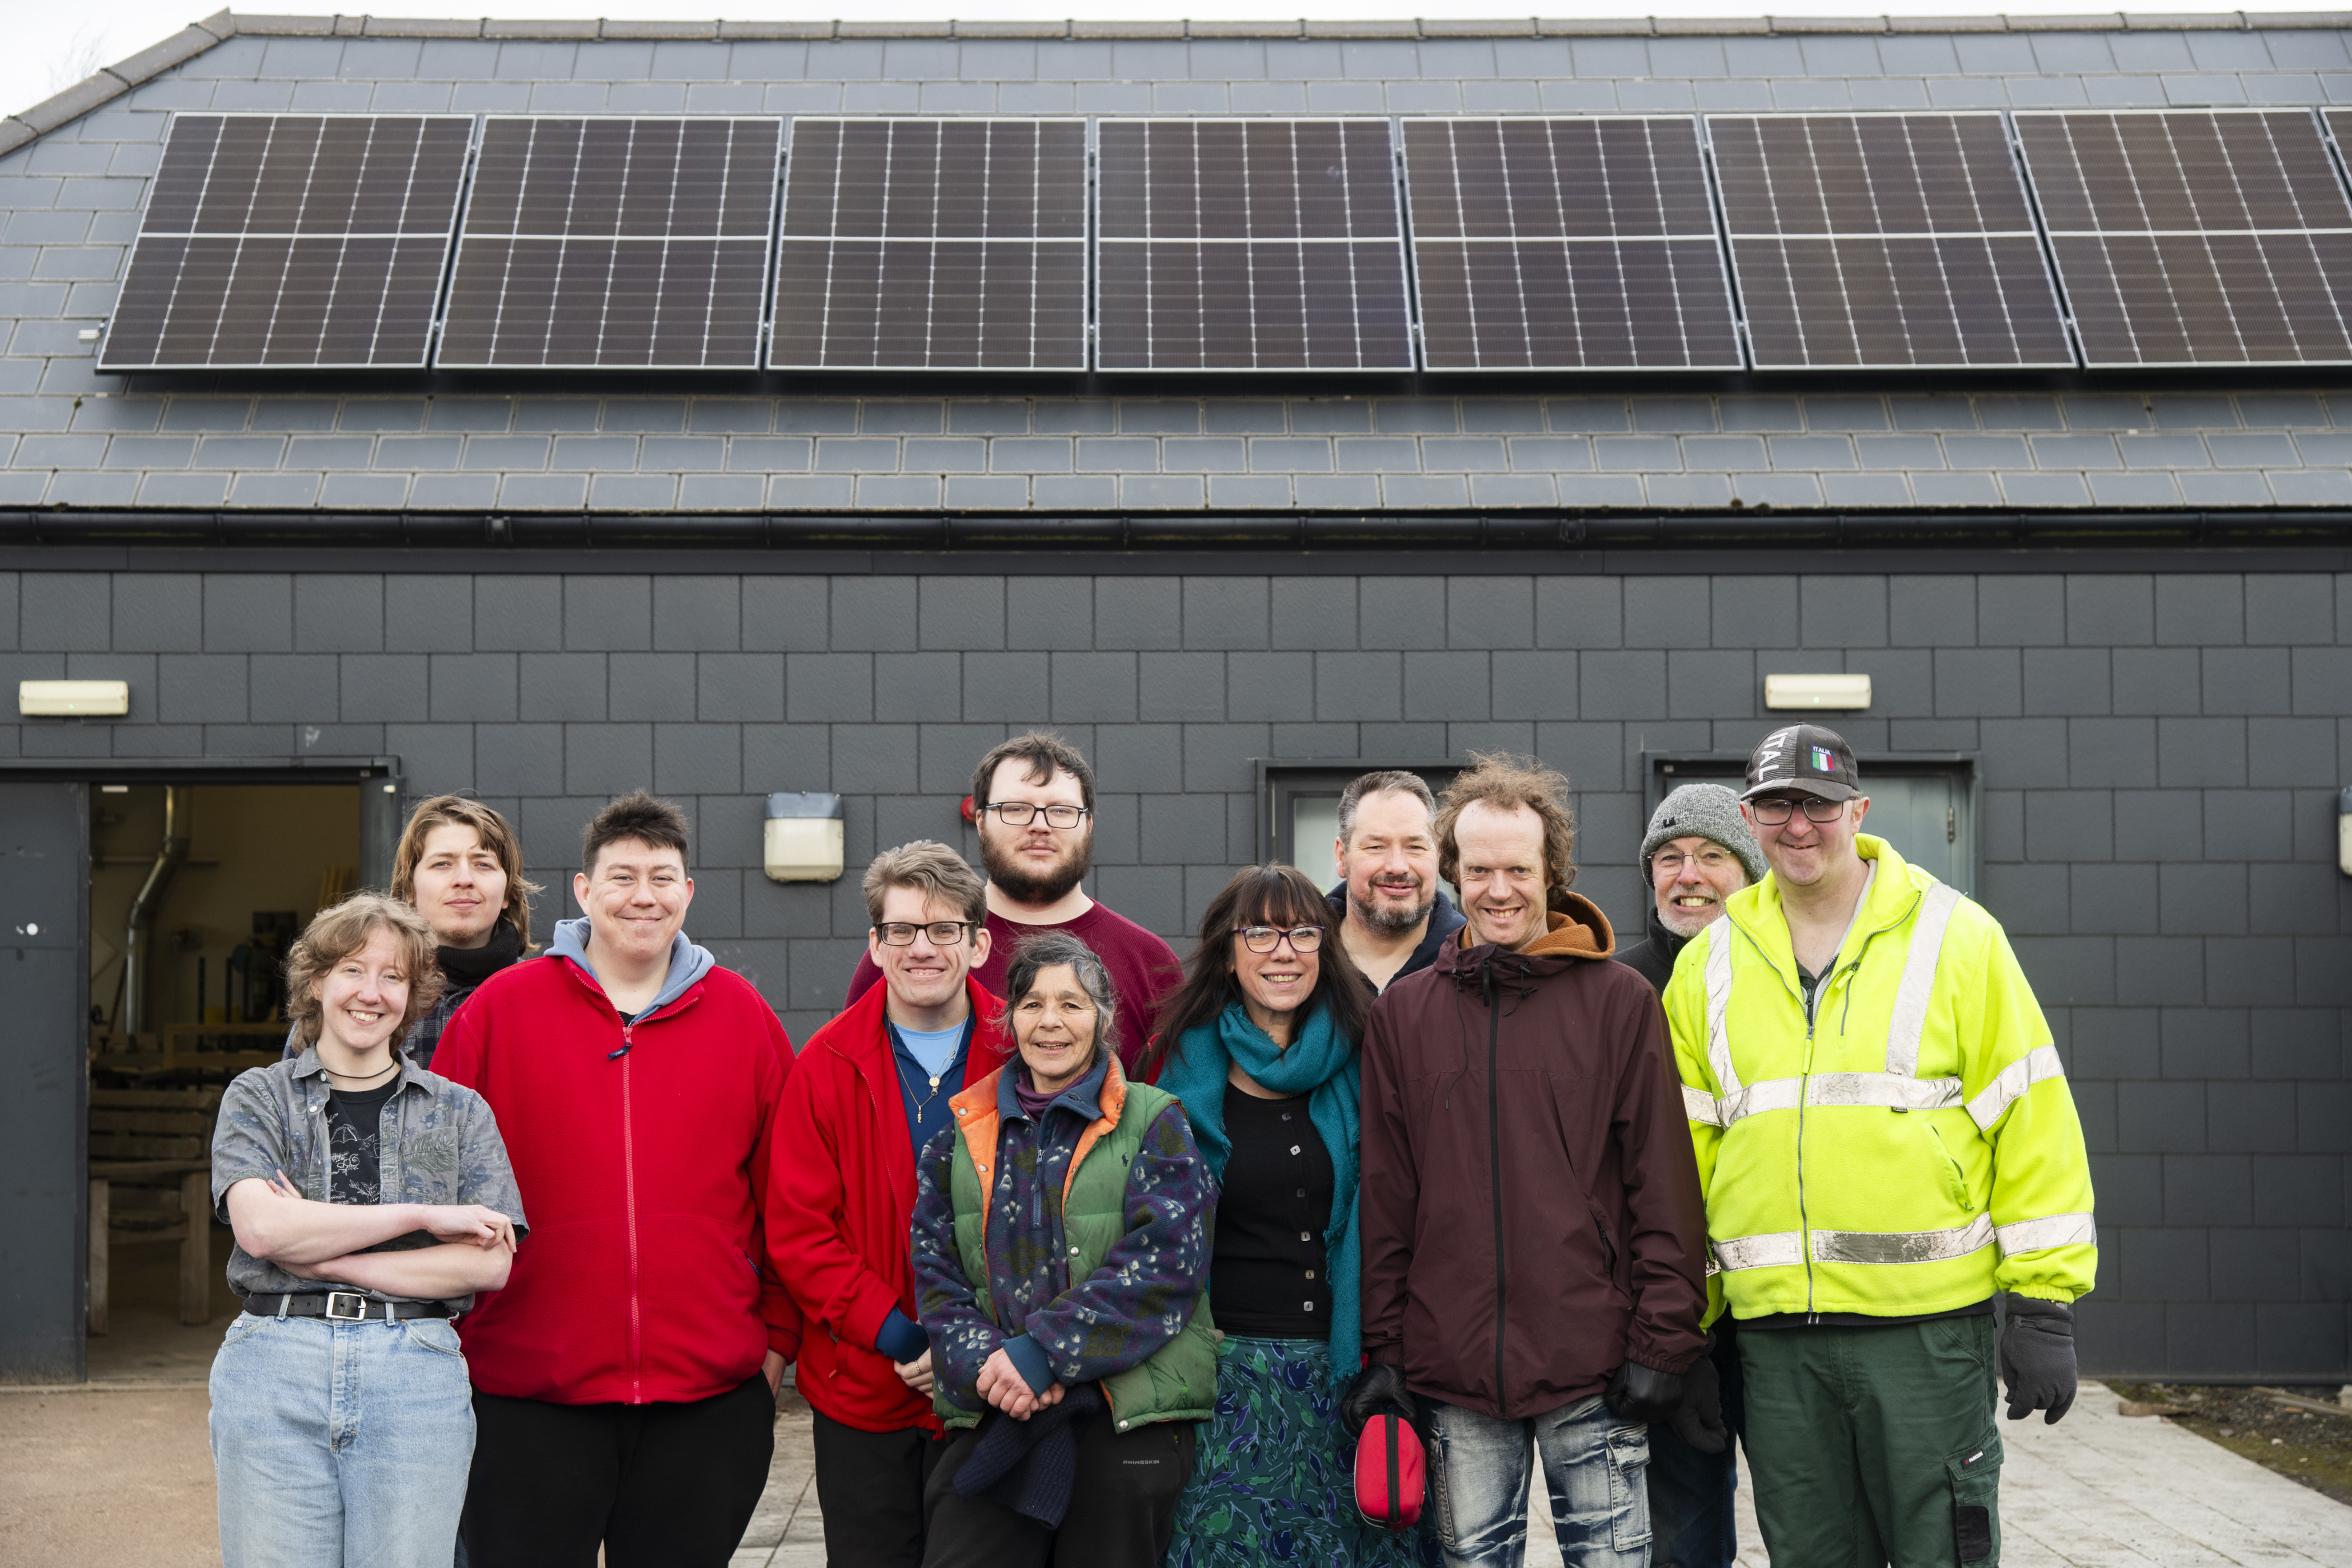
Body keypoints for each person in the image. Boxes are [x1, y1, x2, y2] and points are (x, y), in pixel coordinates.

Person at [1663, 726, 2097, 1568]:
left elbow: (2033, 1117)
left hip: (1925, 1336)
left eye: (1818, 806)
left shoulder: (1959, 938)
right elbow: (1685, 1165)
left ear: (1858, 811)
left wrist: (2045, 1304)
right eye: (1778, 805)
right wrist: (1689, 1334)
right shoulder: (1708, 964)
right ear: (1749, 819)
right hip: (1778, 1340)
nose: (1799, 826)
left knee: (1942, 1550)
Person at [1355, 753, 1712, 1568]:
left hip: (1596, 1364)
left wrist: (1664, 1342)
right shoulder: (1405, 1016)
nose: (1499, 889)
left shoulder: (1621, 1003)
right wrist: (1388, 1353)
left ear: (1553, 870)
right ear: (1454, 874)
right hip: (1453, 1372)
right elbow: (1388, 1199)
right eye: (1479, 870)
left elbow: (1662, 1184)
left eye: (1519, 868)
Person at [435, 791, 801, 1568]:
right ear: (584, 891)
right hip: (526, 1397)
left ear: (689, 893)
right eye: (624, 876)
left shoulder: (745, 1018)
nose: (644, 896)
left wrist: (771, 1350)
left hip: (706, 1403)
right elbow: (437, 1190)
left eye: (663, 878)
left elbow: (788, 1199)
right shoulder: (497, 1013)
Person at [209, 892, 525, 1568]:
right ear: (318, 981)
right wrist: (421, 1218)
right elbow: (262, 1230)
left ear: (412, 997)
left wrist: (327, 1258)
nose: (370, 993)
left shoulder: (459, 1112)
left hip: (414, 1366)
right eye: (353, 969)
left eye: (393, 976)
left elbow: (488, 1266)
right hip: (275, 1364)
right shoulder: (259, 1096)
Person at [1146, 863, 1440, 1568]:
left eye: (1303, 932)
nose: (1283, 951)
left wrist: (1389, 1358)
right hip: (1226, 1381)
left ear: (1325, 946)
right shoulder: (1178, 1068)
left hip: (1352, 1379)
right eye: (1261, 933)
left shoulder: (1370, 1050)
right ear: (1227, 950)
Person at [909, 930, 1216, 1568]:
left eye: (1073, 1004)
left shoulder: (1156, 1120)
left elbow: (1167, 1266)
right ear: (1009, 1016)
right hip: (999, 1408)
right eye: (1033, 1003)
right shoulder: (959, 1135)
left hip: (1124, 1414)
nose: (1051, 1021)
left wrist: (1045, 1352)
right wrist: (999, 1368)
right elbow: (936, 1276)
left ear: (1103, 1018)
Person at [769, 842, 1015, 1567]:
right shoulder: (826, 1063)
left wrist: (968, 1344)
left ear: (979, 944)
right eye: (902, 930)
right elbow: (800, 1233)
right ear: (875, 947)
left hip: (991, 1390)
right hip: (865, 1389)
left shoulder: (1028, 1051)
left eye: (944, 930)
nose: (922, 948)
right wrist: (905, 1337)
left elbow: (1057, 1220)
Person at [1613, 785, 1767, 1568]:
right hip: (1669, 1326)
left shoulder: (1787, 983)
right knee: (1681, 1539)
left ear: (1752, 869)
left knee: (1813, 1525)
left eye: (1713, 855)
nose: (1689, 874)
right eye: (1669, 858)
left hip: (1779, 1319)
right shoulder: (1617, 991)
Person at [846, 731, 1183, 1074]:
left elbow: (1174, 1111)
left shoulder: (1150, 962)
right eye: (1016, 809)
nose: (1040, 825)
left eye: (1061, 810)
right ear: (980, 821)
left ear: (1089, 824)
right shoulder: (909, 952)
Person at [282, 794, 539, 1070]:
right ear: (409, 892)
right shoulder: (355, 1000)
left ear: (508, 893)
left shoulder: (541, 1000)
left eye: (483, 864)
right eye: (442, 863)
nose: (464, 879)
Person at [1328, 769, 1467, 993]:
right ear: (1342, 857)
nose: (1398, 867)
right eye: (1376, 847)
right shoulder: (1301, 956)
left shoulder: (1474, 959)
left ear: (1438, 856)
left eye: (1415, 847)